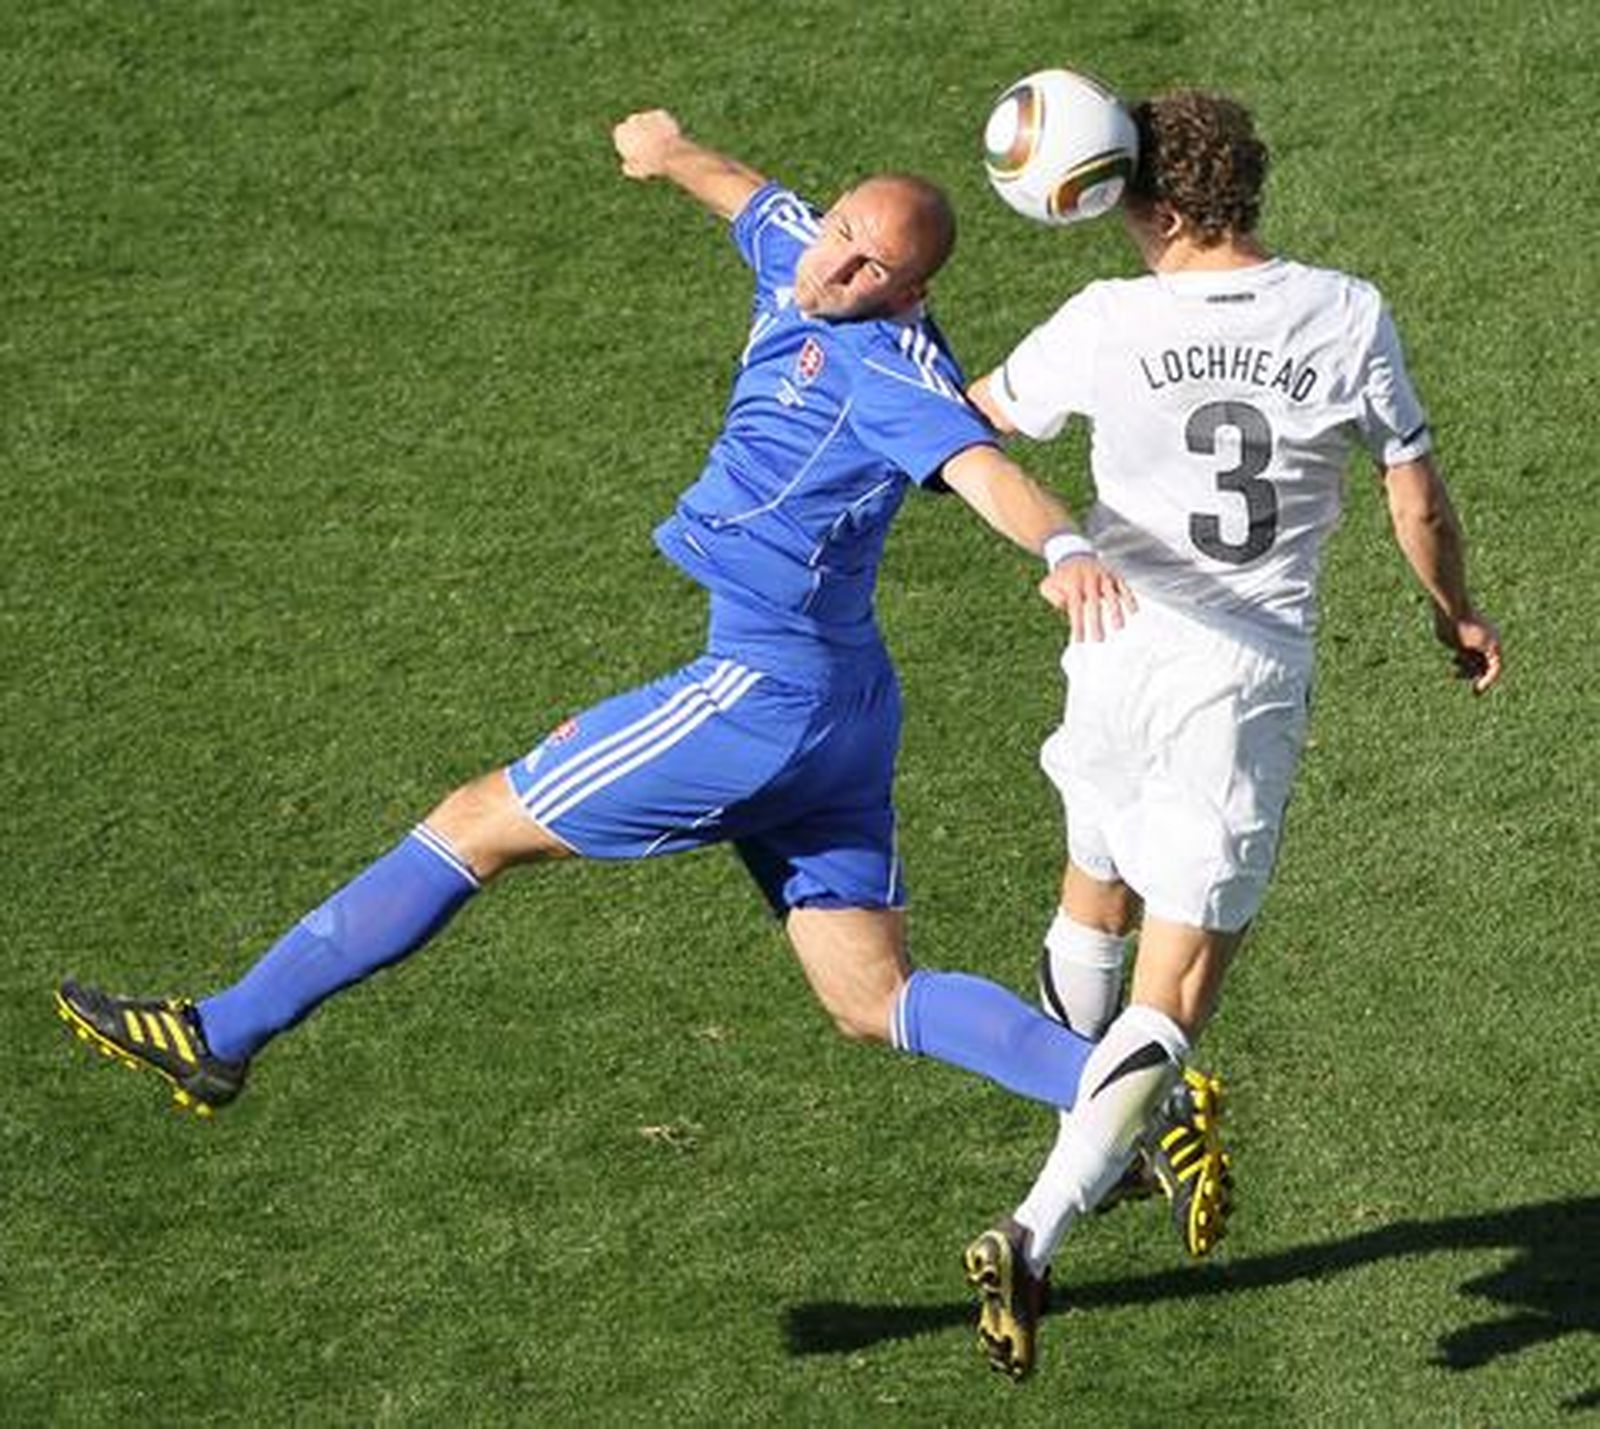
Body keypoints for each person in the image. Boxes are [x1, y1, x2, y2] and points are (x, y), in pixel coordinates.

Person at [55, 114, 1159, 1170]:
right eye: (840, 235)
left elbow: (981, 468)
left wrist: (1062, 545)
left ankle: (219, 1032)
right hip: (844, 703)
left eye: (872, 268)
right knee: (872, 998)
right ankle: (1128, 1094)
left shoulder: (890, 368)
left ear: (910, 292)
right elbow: (753, 201)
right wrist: (669, 152)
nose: (836, 268)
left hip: (763, 692)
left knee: (474, 823)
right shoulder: (802, 257)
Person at [959, 89, 1504, 1380]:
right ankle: (1034, 1232)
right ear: (1244, 187)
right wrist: (1457, 613)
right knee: (1180, 986)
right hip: (1239, 676)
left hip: (1110, 641)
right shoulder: (1345, 312)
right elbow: (1415, 501)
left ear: (1134, 198)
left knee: (1093, 895)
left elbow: (974, 419)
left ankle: (1108, 1130)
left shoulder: (1105, 319)